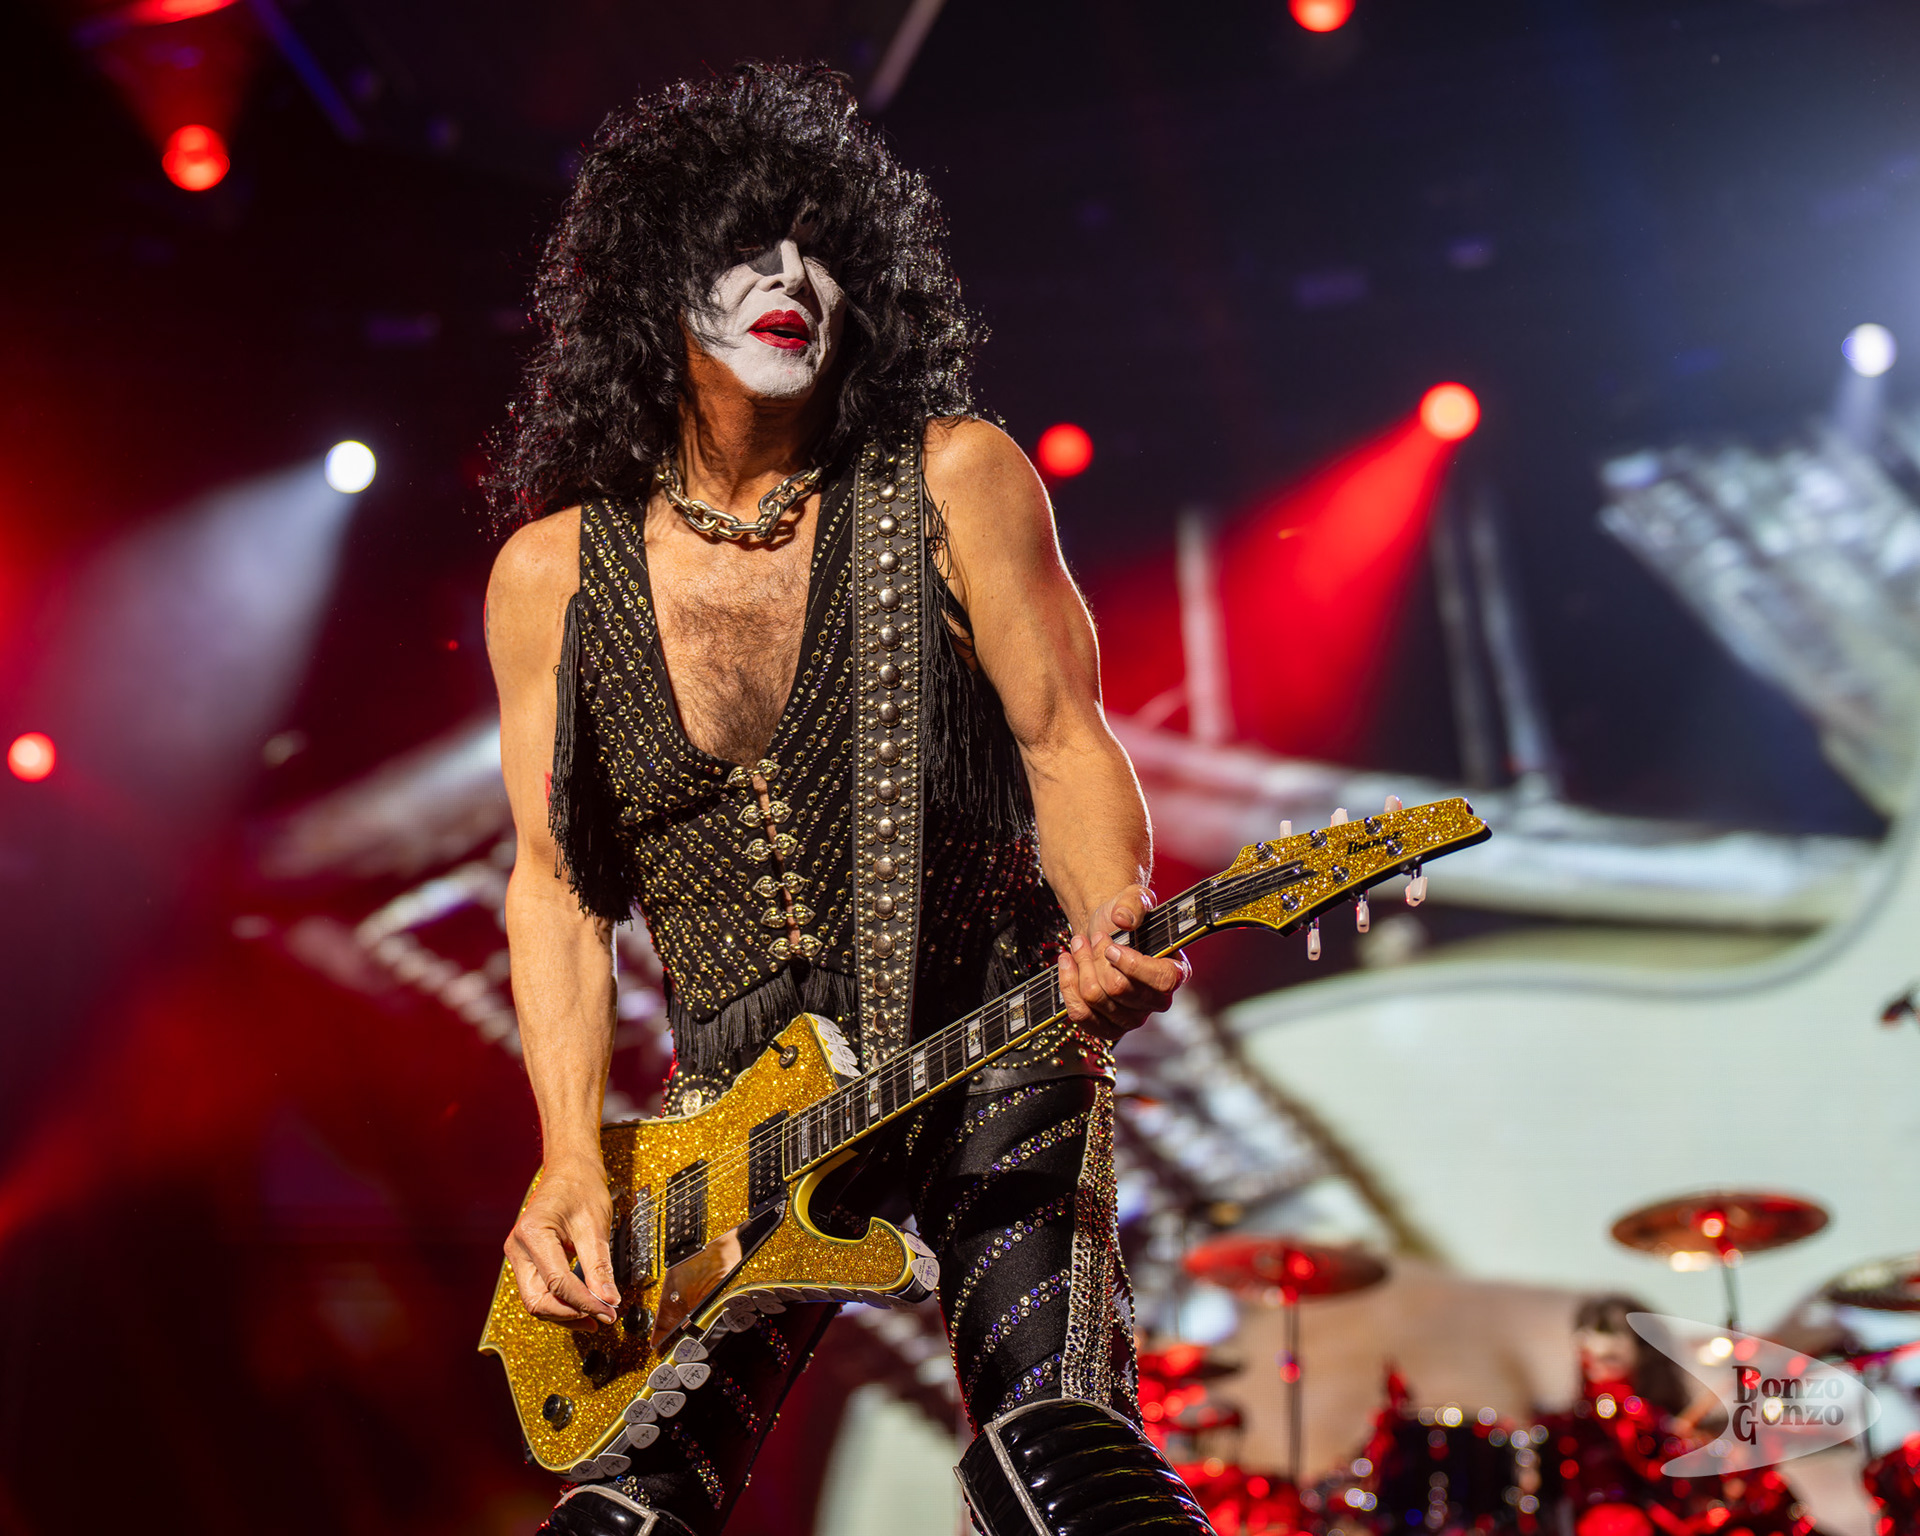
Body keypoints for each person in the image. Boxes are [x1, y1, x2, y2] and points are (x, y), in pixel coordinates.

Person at [484, 63, 1205, 1536]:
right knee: (619, 1523)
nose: (789, 278)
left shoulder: (955, 479)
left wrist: (1110, 918)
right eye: (744, 249)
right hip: (736, 1123)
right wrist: (566, 1158)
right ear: (654, 289)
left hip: (993, 1035)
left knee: (1066, 1470)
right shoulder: (551, 575)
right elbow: (553, 888)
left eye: (817, 249)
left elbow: (1064, 739)